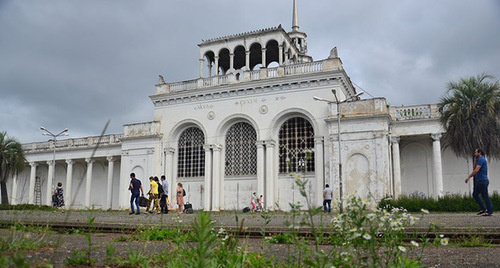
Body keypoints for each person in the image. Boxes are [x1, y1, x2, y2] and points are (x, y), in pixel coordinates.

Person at [466, 149, 493, 216]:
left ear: (479, 153)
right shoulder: (479, 160)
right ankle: (483, 209)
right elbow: (474, 168)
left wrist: (469, 177)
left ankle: (490, 211)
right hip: (479, 181)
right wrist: (475, 160)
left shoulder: (481, 159)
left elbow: (477, 170)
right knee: (475, 194)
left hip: (483, 181)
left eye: (476, 152)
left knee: (485, 196)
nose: (475, 153)